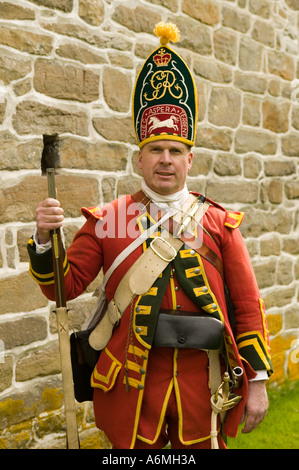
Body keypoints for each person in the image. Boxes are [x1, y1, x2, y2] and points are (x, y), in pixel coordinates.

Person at [27, 23, 273, 449]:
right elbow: (62, 288)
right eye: (155, 151)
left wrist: (257, 381)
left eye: (175, 151)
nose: (165, 160)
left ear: (190, 159)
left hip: (204, 387)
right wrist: (45, 240)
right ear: (140, 159)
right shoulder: (108, 219)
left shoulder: (218, 223)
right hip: (132, 389)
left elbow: (248, 307)